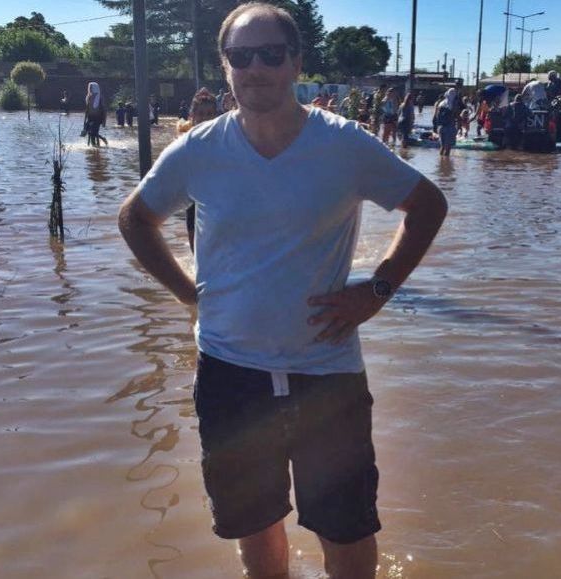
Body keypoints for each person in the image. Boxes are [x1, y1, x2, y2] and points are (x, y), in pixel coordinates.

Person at [117, 4, 447, 579]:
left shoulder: (344, 144)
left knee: (345, 526)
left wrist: (377, 290)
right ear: (226, 68)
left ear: (296, 63)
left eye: (271, 54)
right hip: (229, 371)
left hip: (326, 371)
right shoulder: (199, 150)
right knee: (253, 523)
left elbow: (427, 206)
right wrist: (188, 293)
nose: (256, 68)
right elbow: (135, 220)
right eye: (241, 57)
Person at [175, 88, 220, 252]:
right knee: (193, 227)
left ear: (216, 116)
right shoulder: (185, 142)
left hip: (216, 195)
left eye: (210, 113)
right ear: (192, 117)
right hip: (193, 195)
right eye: (201, 113)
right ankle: (195, 265)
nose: (205, 118)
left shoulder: (222, 139)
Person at [433, 87, 458, 156]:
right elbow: (455, 115)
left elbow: (436, 116)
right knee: (448, 148)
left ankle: (441, 162)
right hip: (449, 127)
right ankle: (446, 163)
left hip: (441, 127)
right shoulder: (452, 104)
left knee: (442, 146)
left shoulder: (441, 103)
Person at [83, 82, 108, 147]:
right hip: (90, 117)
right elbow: (87, 109)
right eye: (90, 88)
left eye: (92, 88)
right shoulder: (89, 97)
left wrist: (104, 121)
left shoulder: (100, 97)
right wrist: (85, 120)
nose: (90, 89)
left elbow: (104, 110)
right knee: (89, 132)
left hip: (98, 118)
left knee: (93, 133)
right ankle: (94, 147)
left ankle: (96, 147)